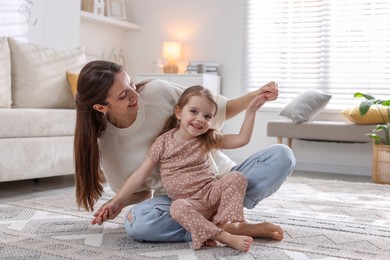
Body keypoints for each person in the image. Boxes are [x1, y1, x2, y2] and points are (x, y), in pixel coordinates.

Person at [75, 60, 296, 243]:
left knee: (282, 155)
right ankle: (222, 229)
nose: (135, 95)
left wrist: (258, 96)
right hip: (178, 200)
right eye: (123, 96)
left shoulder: (158, 91)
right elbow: (141, 187)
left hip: (220, 184)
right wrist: (117, 203)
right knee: (137, 223)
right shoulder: (112, 145)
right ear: (101, 107)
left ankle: (217, 224)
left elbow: (222, 112)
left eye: (131, 84)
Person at [92, 85, 273, 251]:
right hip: (188, 204)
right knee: (176, 208)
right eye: (193, 111)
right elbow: (140, 175)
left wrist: (251, 111)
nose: (200, 119)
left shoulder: (208, 137)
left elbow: (242, 139)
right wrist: (116, 201)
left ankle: (227, 222)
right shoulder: (163, 142)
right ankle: (221, 235)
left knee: (237, 177)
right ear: (178, 112)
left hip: (211, 193)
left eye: (207, 116)